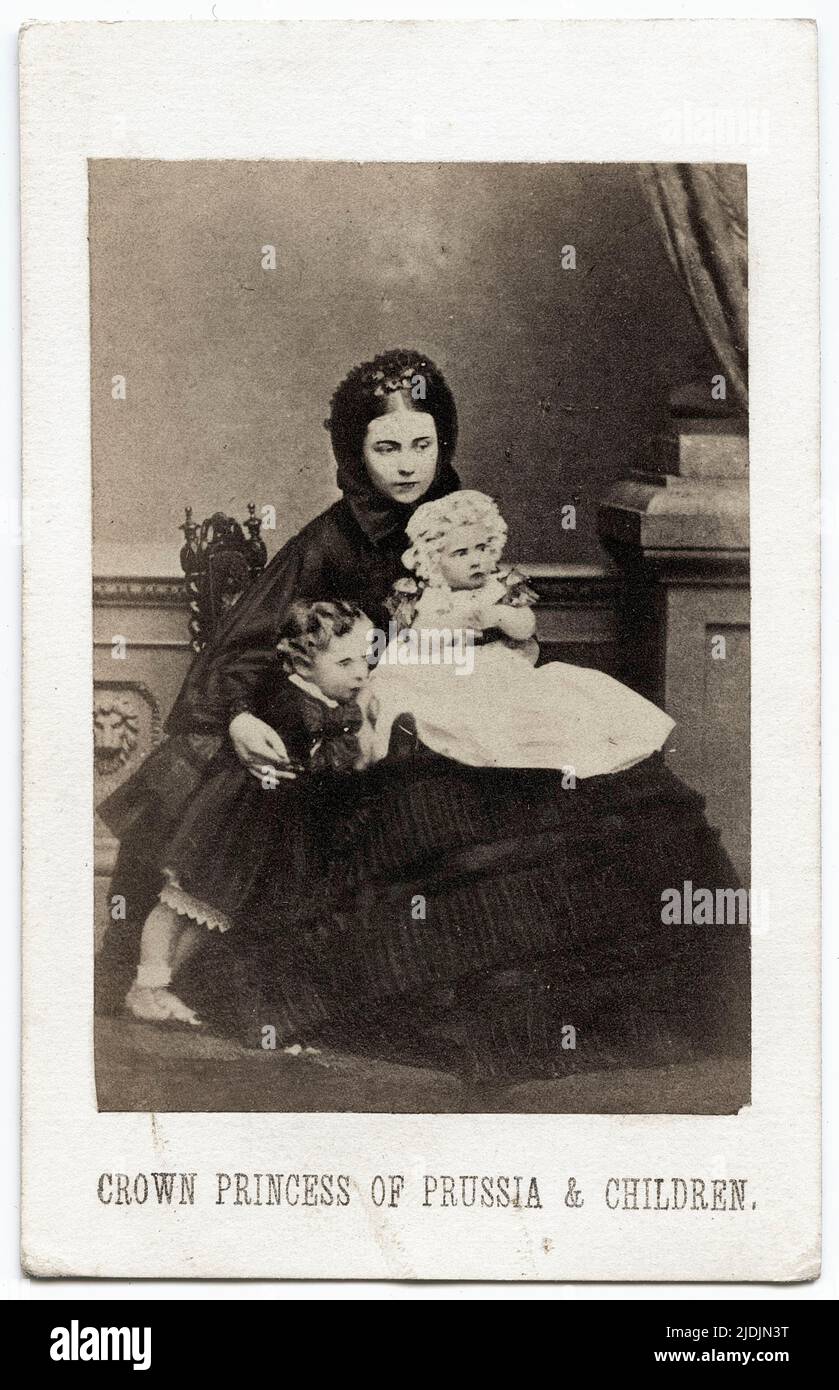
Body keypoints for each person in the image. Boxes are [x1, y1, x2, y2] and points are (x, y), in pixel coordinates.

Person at [95, 348, 460, 1014]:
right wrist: (238, 718)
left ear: (444, 440)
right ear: (356, 452)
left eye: (421, 443)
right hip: (326, 727)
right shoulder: (328, 540)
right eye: (385, 448)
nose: (408, 465)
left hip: (431, 711)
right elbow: (243, 650)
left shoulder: (458, 523)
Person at [124, 600, 373, 1028]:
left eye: (365, 661)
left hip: (270, 825)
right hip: (234, 818)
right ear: (303, 665)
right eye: (345, 662)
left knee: (211, 915)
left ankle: (161, 988)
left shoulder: (338, 706)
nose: (360, 673)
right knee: (180, 902)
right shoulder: (284, 700)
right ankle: (144, 987)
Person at [366, 489, 676, 776]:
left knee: (529, 704)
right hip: (436, 665)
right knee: (407, 693)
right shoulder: (424, 594)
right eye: (461, 553)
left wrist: (499, 616)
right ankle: (413, 737)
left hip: (490, 665)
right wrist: (448, 626)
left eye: (483, 548)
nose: (476, 559)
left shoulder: (498, 588)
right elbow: (412, 632)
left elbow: (526, 625)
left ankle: (508, 752)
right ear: (433, 560)